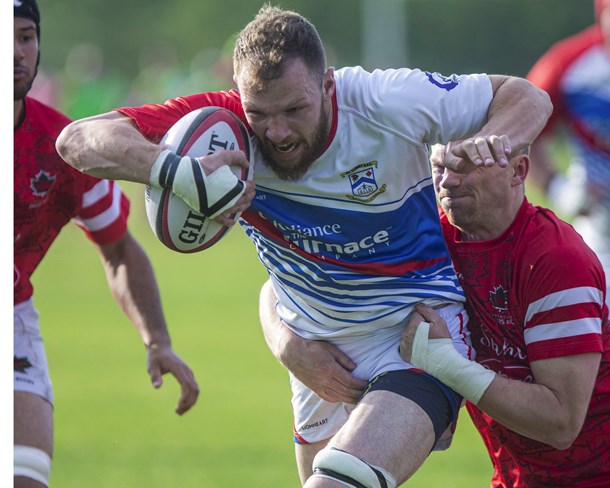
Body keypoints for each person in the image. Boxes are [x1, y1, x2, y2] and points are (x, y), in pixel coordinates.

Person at [55, 5, 552, 486]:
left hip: (416, 336)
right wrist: (172, 171)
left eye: (295, 109)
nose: (277, 132)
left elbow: (526, 96)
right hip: (314, 358)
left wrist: (492, 140)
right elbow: (77, 139)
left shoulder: (385, 100)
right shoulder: (225, 128)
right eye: (260, 113)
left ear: (328, 85)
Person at [14, 2, 199, 486]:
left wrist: (157, 339)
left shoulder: (60, 147)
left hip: (9, 321)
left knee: (24, 477)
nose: (15, 52)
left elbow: (118, 249)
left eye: (26, 36)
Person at [395, 144, 610, 486]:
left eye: (466, 166)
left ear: (518, 170)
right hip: (516, 477)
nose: (448, 181)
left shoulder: (555, 258)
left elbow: (560, 422)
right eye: (439, 167)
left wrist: (447, 365)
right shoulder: (432, 240)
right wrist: (295, 341)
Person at [525, 0, 610, 391]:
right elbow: (520, 133)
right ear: (602, 12)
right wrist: (560, 188)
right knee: (592, 391)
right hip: (604, 248)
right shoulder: (570, 64)